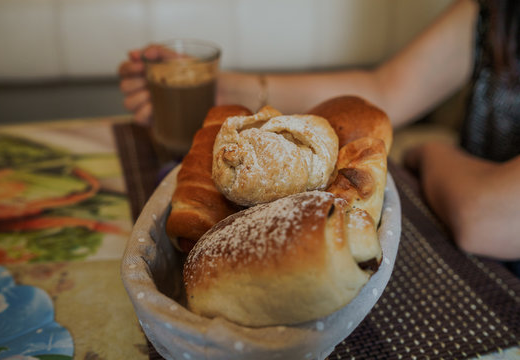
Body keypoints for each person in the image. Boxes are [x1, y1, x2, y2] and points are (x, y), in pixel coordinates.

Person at [118, 0, 520, 270]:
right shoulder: (496, 10)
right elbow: (383, 92)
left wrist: (428, 151)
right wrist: (216, 89)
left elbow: (486, 217)